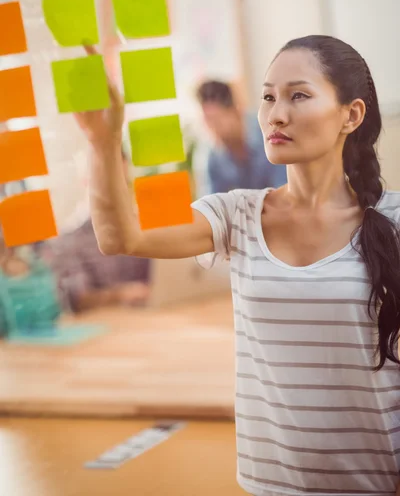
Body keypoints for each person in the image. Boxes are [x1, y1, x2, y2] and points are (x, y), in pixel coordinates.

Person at [76, 38, 400, 496]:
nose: (276, 114)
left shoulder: (393, 221)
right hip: (269, 484)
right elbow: (119, 236)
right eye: (268, 97)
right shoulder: (235, 214)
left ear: (351, 115)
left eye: (298, 95)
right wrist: (102, 141)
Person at [41, 149, 151, 313]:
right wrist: (120, 295)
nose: (118, 192)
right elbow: (78, 300)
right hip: (107, 328)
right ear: (86, 181)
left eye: (123, 182)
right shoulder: (70, 239)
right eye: (110, 182)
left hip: (149, 320)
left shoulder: (141, 228)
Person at [195, 80, 287, 193]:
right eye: (207, 122)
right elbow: (209, 203)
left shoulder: (269, 132)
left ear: (236, 111)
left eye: (217, 121)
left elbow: (285, 188)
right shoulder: (211, 157)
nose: (212, 129)